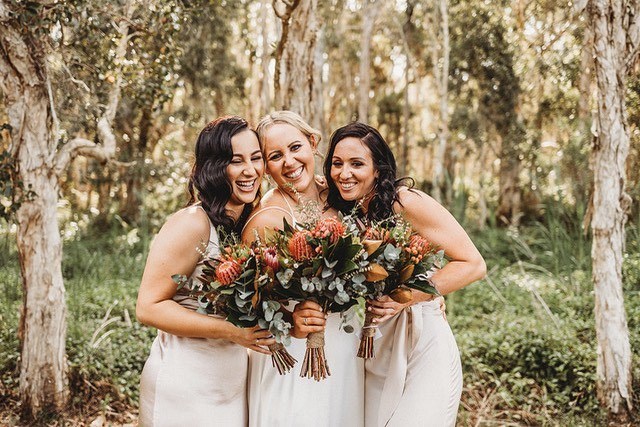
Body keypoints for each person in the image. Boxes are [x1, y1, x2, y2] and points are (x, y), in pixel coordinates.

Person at [324, 122, 487, 427]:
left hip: (421, 341)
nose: (344, 173)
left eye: (357, 163)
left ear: (378, 170)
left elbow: (472, 264)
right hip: (377, 346)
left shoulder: (406, 202)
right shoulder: (347, 213)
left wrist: (408, 297)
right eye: (337, 163)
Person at [136, 116, 276, 427]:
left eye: (256, 158)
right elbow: (148, 307)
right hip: (185, 387)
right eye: (235, 161)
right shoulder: (192, 223)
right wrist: (232, 332)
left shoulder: (253, 222)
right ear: (213, 166)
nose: (250, 170)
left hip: (231, 388)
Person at [241, 111, 365, 427]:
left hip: (345, 342)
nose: (289, 162)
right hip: (293, 354)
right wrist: (289, 319)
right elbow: (245, 301)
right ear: (266, 167)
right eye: (275, 156)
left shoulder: (343, 195)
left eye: (295, 148)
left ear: (312, 143)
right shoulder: (267, 218)